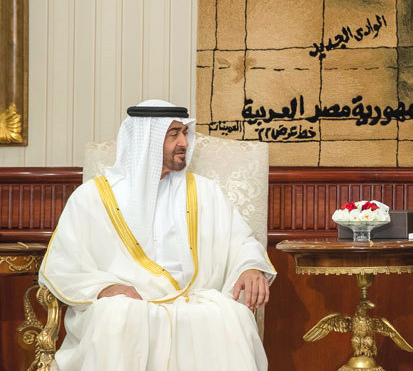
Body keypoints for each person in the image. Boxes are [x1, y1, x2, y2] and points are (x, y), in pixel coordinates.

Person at [39, 100, 277, 371]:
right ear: (146, 141)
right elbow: (62, 263)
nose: (184, 143)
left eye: (185, 133)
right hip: (130, 305)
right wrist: (103, 288)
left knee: (230, 316)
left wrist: (250, 267)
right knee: (115, 314)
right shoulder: (93, 197)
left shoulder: (204, 191)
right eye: (173, 134)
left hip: (193, 301)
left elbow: (241, 241)